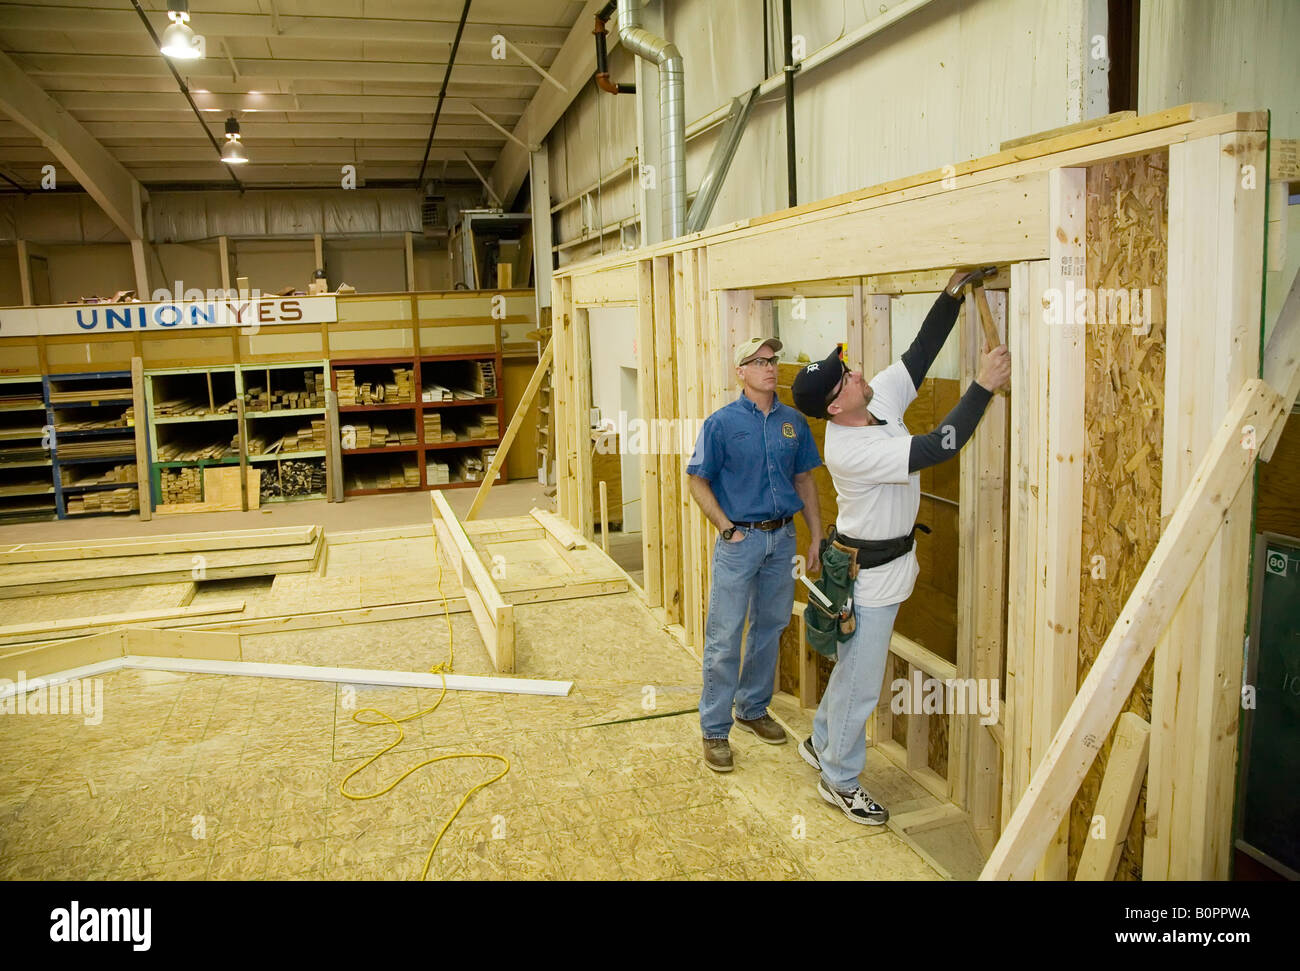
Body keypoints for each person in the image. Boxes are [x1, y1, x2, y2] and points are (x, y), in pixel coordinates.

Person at [789, 266, 1011, 823]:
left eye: (850, 366)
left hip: (880, 562)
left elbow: (918, 355)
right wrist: (982, 385)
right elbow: (940, 447)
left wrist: (951, 293)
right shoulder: (849, 449)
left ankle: (821, 743)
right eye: (847, 376)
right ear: (835, 406)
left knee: (851, 668)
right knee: (863, 681)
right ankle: (839, 779)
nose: (860, 372)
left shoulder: (872, 398)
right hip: (869, 575)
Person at [686, 335, 823, 772]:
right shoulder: (721, 424)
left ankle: (751, 708)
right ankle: (714, 729)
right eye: (759, 361)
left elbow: (804, 480)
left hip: (781, 540)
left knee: (770, 627)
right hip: (740, 542)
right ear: (741, 372)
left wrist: (815, 536)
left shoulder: (793, 423)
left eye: (773, 360)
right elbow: (697, 480)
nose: (770, 367)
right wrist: (726, 528)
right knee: (725, 636)